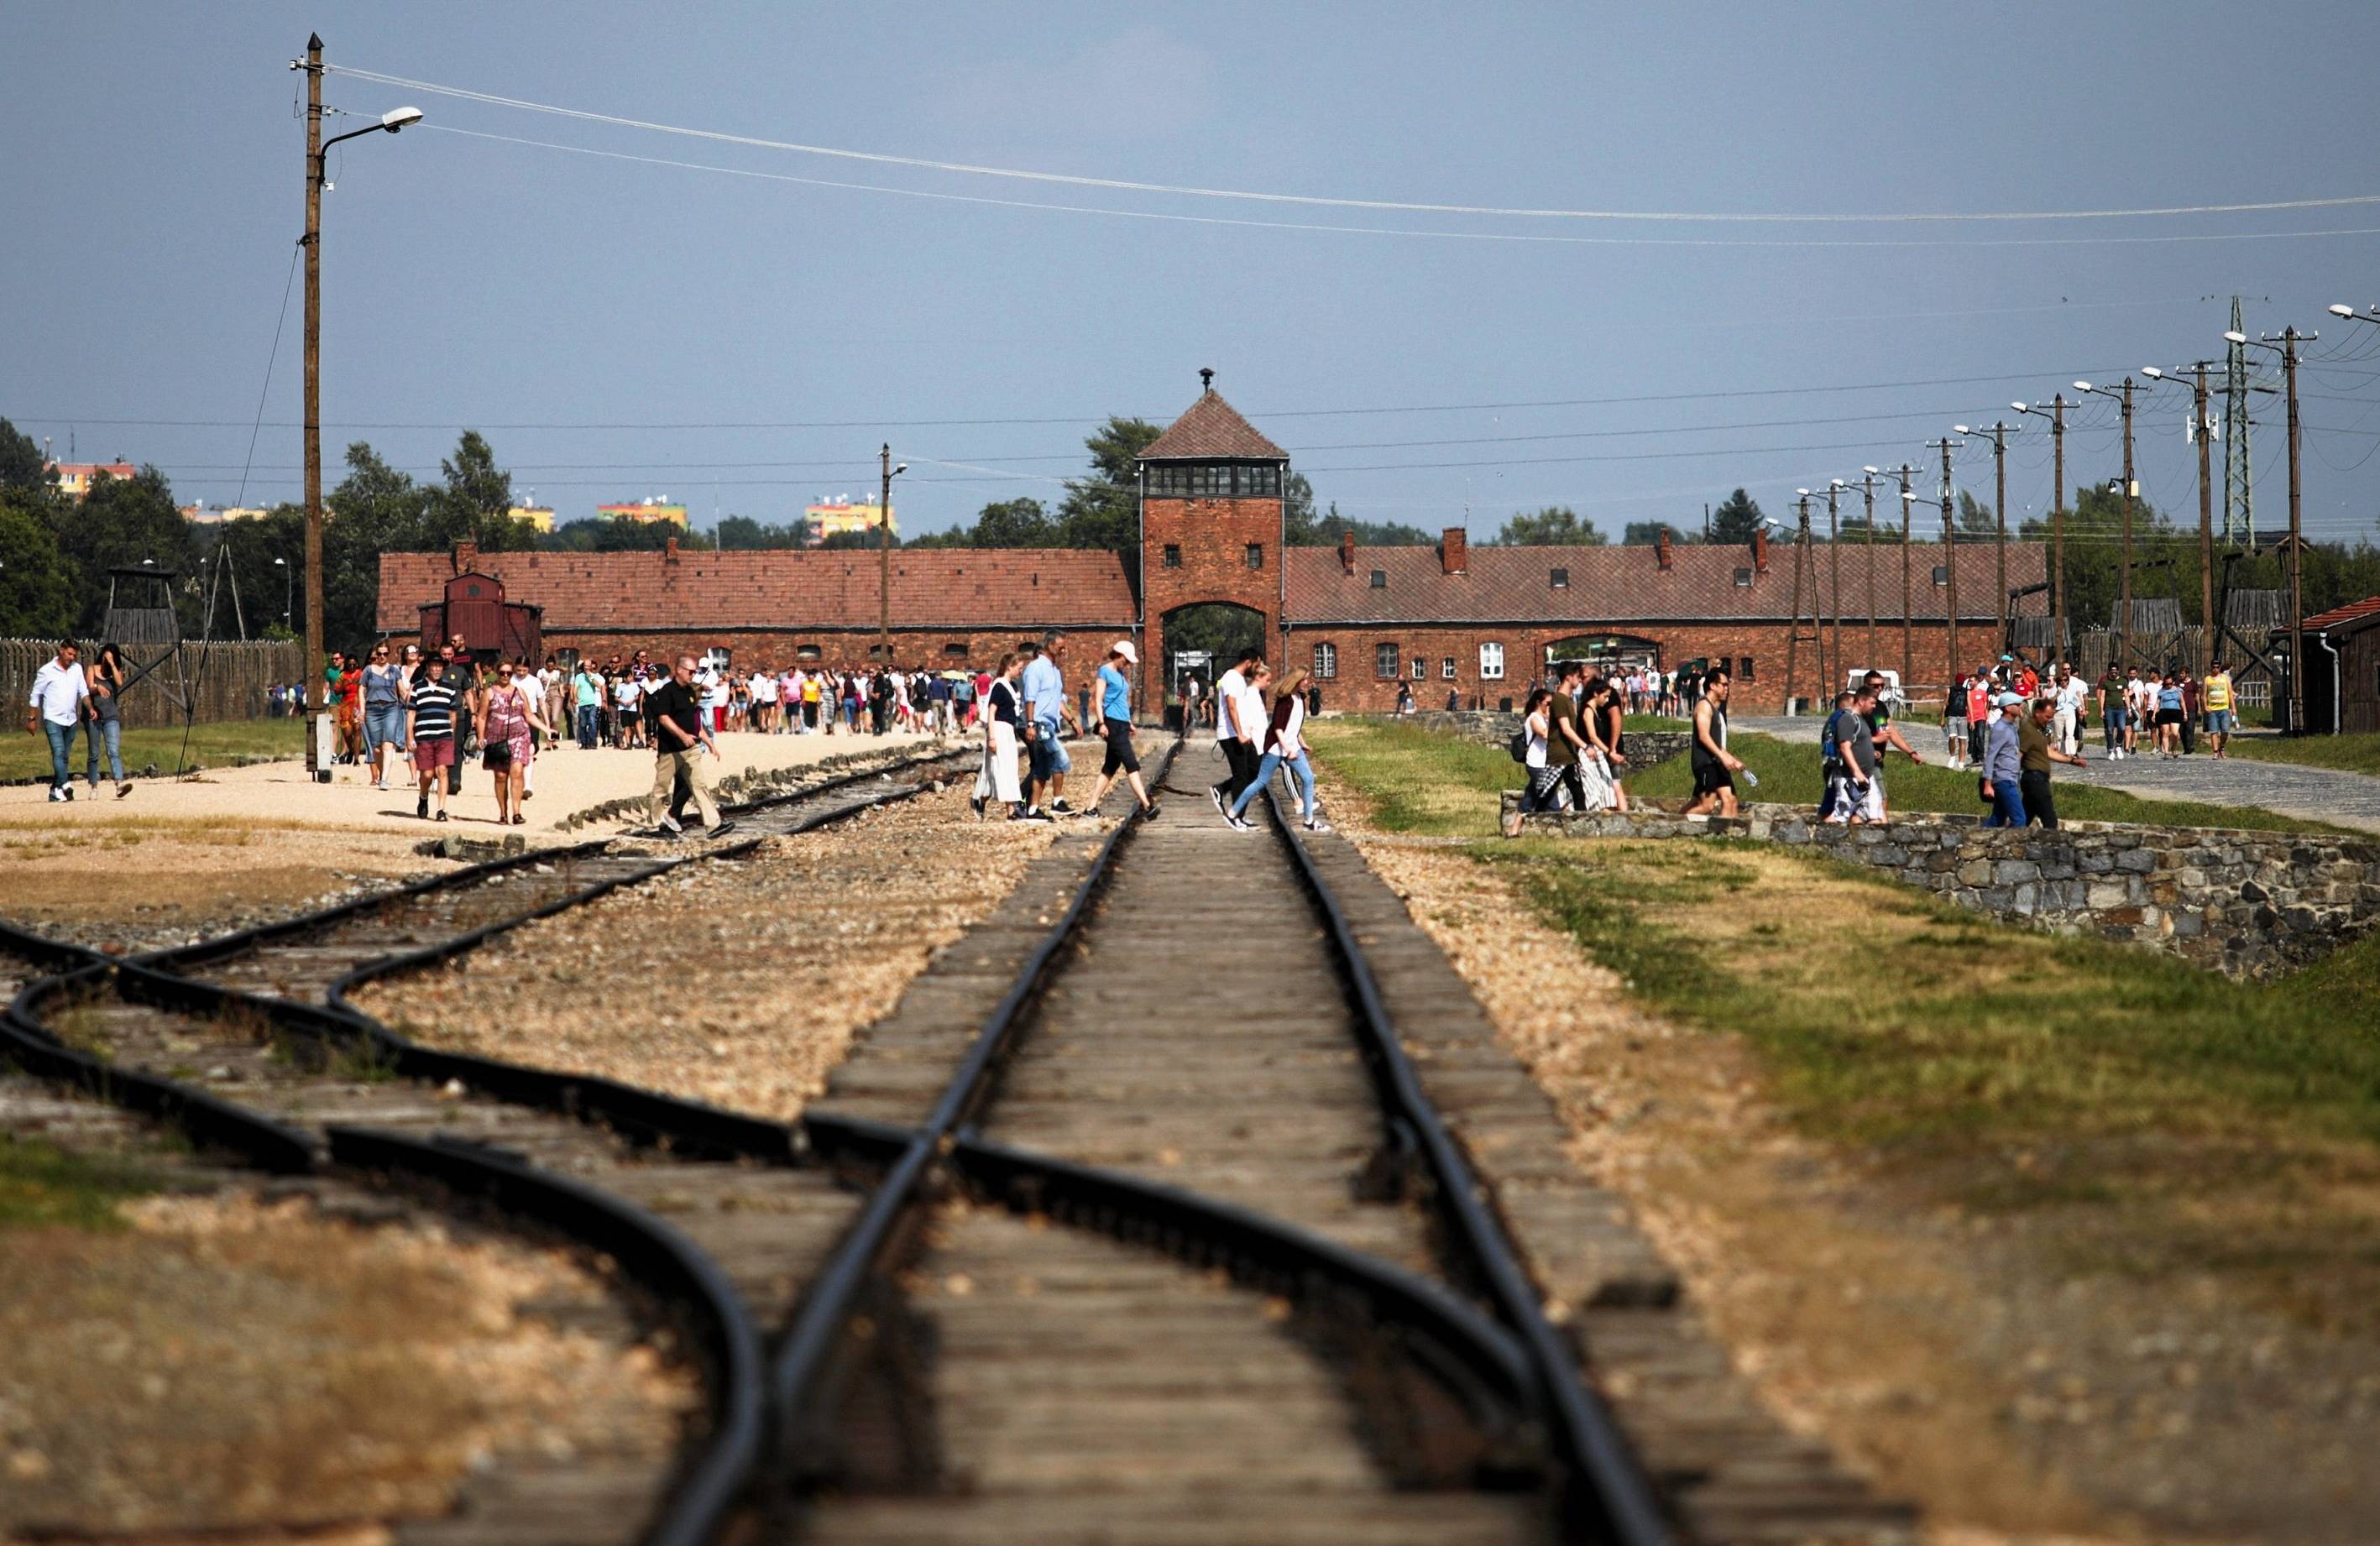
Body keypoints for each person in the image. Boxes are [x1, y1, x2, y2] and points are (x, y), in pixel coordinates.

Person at [645, 655, 735, 839]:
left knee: (699, 785)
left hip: (691, 748)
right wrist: (682, 735)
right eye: (691, 672)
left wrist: (711, 744)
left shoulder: (691, 692)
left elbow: (695, 724)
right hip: (670, 748)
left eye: (695, 672)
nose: (693, 675)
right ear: (679, 670)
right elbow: (663, 718)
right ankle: (653, 826)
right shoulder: (667, 691)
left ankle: (713, 824)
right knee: (661, 787)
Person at [1225, 666, 1325, 832]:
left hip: (1292, 746)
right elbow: (1278, 728)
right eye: (1305, 679)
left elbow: (1294, 726)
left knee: (1308, 778)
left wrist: (1302, 743)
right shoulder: (1285, 700)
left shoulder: (1301, 697)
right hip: (1276, 748)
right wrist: (1288, 750)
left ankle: (1309, 821)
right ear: (1297, 680)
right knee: (1260, 782)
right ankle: (1233, 812)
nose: (1308, 682)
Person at [1084, 640, 1159, 819]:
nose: (1127, 664)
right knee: (1131, 764)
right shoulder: (1105, 672)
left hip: (1121, 724)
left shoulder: (1121, 673)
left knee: (1110, 767)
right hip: (1111, 724)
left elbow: (1121, 702)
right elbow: (1099, 699)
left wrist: (1129, 722)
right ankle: (1147, 805)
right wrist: (1101, 723)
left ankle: (1091, 808)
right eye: (1126, 660)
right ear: (1118, 655)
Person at [477, 657, 545, 826]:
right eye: (502, 673)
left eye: (509, 673)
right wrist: (480, 736)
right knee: (500, 776)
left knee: (517, 772)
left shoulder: (519, 692)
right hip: (496, 739)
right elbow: (482, 716)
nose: (506, 676)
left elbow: (528, 714)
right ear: (497, 673)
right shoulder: (490, 692)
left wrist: (546, 729)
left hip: (519, 736)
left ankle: (516, 812)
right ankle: (502, 813)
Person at [1020, 633, 1081, 821]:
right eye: (1060, 647)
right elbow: (1030, 698)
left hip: (1050, 724)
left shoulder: (1055, 671)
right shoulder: (1035, 668)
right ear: (1048, 645)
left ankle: (1032, 810)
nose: (1063, 650)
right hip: (1039, 723)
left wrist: (1072, 721)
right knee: (1060, 758)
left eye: (1064, 647)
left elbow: (1058, 701)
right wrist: (1030, 724)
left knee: (1043, 767)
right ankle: (1057, 803)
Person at [25, 639, 87, 803]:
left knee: (65, 757)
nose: (72, 657)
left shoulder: (77, 669)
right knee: (58, 753)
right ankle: (65, 784)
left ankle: (55, 790)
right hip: (53, 719)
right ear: (61, 650)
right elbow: (35, 695)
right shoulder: (46, 671)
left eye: (74, 655)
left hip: (71, 719)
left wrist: (91, 707)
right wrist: (32, 718)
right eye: (69, 654)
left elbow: (84, 691)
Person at [1207, 645, 1264, 816]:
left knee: (1254, 771)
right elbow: (1231, 707)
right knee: (1242, 776)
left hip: (1240, 734)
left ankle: (1222, 789)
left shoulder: (1239, 679)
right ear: (1248, 662)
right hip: (1231, 735)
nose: (1257, 670)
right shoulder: (1232, 678)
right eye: (1256, 665)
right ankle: (1237, 816)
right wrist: (1240, 733)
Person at [1682, 665, 1744, 817]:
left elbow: (1718, 742)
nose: (1727, 689)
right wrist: (1722, 756)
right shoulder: (1704, 706)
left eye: (1727, 686)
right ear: (1712, 685)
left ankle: (1724, 836)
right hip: (1705, 764)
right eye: (1723, 685)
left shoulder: (1716, 710)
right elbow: (1703, 736)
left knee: (1731, 800)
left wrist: (1731, 759)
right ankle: (1675, 825)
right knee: (1707, 806)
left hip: (1716, 763)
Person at [971, 652, 1027, 819]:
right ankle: (1011, 810)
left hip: (1008, 730)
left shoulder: (1013, 687)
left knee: (995, 770)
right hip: (999, 729)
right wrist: (992, 738)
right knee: (1005, 768)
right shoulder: (999, 686)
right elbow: (991, 712)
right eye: (1019, 668)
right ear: (1009, 667)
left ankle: (979, 800)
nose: (1021, 672)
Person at [2019, 697, 2089, 828]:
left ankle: (2011, 842)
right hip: (2035, 779)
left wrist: (2072, 761)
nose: (2049, 720)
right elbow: (2018, 755)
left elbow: (2048, 752)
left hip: (2037, 778)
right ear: (2037, 712)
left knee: (2023, 819)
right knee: (2050, 821)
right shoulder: (2027, 730)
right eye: (2047, 716)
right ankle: (2052, 847)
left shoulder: (2036, 731)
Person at [405, 654, 459, 822]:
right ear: (428, 668)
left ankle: (441, 809)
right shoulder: (418, 688)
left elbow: (453, 713)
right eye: (433, 666)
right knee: (427, 774)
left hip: (443, 736)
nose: (436, 669)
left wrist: (451, 733)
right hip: (424, 736)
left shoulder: (449, 688)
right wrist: (409, 737)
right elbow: (411, 713)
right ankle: (423, 797)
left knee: (442, 771)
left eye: (439, 666)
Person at [81, 641, 131, 799]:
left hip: (111, 716)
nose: (106, 660)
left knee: (113, 751)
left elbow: (120, 682)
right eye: (105, 656)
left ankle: (119, 783)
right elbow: (89, 687)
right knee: (94, 753)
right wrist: (98, 686)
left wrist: (112, 664)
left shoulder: (114, 673)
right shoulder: (92, 669)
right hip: (94, 715)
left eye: (110, 657)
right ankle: (94, 786)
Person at [361, 642, 407, 790]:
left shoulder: (394, 671)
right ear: (375, 654)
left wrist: (413, 704)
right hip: (372, 709)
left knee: (388, 743)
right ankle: (381, 774)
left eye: (385, 654)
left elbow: (402, 691)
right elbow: (361, 690)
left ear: (389, 654)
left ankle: (385, 778)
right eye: (379, 654)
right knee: (376, 748)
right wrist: (362, 710)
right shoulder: (368, 671)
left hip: (390, 708)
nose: (382, 657)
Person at [1980, 691, 2027, 827]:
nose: (2021, 706)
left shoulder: (2011, 727)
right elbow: (1990, 756)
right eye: (2017, 704)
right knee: (2019, 820)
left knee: (1997, 820)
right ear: (2007, 708)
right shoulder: (2000, 729)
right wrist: (1987, 784)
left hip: (2011, 778)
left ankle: (1977, 839)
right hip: (2003, 779)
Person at [1517, 687, 1562, 813]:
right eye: (1548, 703)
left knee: (1529, 797)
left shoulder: (1544, 719)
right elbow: (1545, 734)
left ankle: (1515, 826)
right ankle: (1556, 821)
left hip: (1544, 762)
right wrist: (1551, 719)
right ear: (1539, 703)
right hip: (1536, 762)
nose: (1550, 706)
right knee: (1550, 795)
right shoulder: (1534, 717)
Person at [2053, 665, 2087, 758]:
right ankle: (2059, 752)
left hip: (2070, 713)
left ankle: (2070, 752)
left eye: (2065, 680)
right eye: (2061, 681)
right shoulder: (2056, 689)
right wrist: (2056, 695)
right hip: (2058, 713)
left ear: (2068, 681)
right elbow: (2050, 702)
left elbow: (2077, 702)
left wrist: (2081, 711)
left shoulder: (2072, 691)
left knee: (2070, 733)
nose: (2063, 682)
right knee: (2059, 735)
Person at [2202, 663, 2235, 758]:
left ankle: (2222, 746)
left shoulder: (2225, 678)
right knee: (2213, 731)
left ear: (2220, 668)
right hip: (2212, 709)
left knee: (2225, 731)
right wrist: (2205, 706)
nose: (2215, 669)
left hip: (2224, 708)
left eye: (2217, 667)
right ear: (2211, 668)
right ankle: (2215, 752)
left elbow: (2230, 693)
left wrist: (2233, 708)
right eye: (2213, 667)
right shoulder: (2207, 679)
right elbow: (2204, 695)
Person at [2097, 664, 2127, 758]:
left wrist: (2128, 708)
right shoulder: (2105, 682)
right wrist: (2101, 710)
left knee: (2122, 728)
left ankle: (2118, 745)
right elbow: (2102, 696)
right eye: (2112, 672)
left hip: (2121, 708)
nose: (2114, 674)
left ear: (2118, 671)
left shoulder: (2123, 681)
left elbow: (2126, 695)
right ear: (2109, 671)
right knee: (2109, 729)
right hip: (2109, 708)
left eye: (2116, 672)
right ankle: (2111, 750)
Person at [2153, 671, 2185, 759]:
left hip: (2176, 712)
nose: (2169, 685)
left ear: (2173, 682)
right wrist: (2154, 714)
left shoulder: (2178, 690)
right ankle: (2166, 752)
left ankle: (2174, 748)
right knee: (2165, 733)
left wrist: (2185, 713)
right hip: (2164, 712)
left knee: (2175, 733)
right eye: (2167, 684)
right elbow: (2157, 703)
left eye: (2170, 683)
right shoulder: (2161, 692)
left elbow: (2182, 702)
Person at [1943, 671, 1970, 770]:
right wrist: (1942, 717)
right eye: (1957, 682)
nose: (1959, 684)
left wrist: (1971, 719)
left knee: (1962, 739)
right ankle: (1952, 756)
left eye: (1960, 683)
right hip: (1952, 716)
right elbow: (1945, 704)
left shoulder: (1966, 691)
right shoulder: (1950, 690)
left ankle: (1961, 761)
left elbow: (1969, 704)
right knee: (1952, 737)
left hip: (1963, 716)